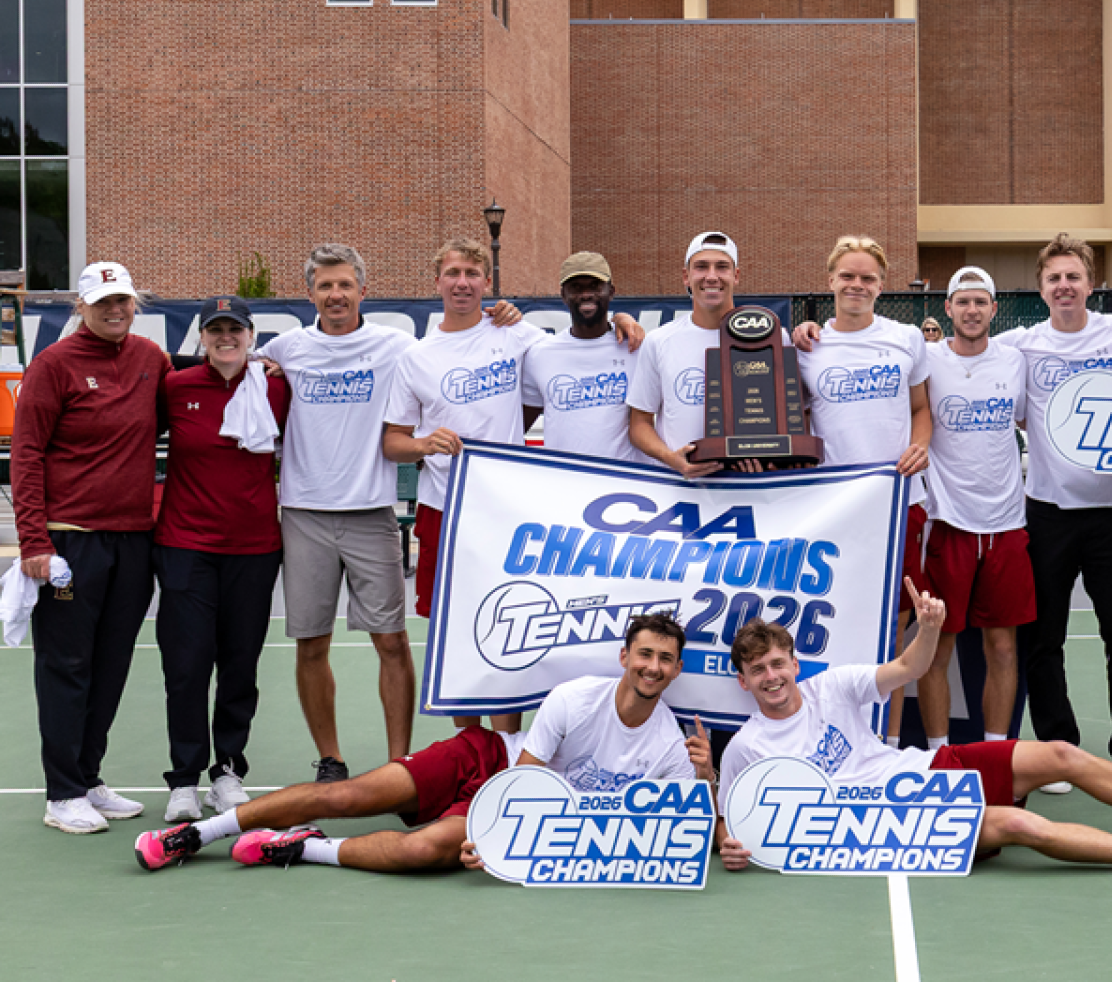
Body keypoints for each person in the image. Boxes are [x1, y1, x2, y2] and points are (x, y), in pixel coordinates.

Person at [717, 585, 1112, 881]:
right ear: (743, 682)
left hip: (926, 774)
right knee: (1025, 824)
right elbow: (728, 822)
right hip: (892, 825)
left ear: (794, 663)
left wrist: (928, 630)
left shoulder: (830, 688)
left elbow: (907, 669)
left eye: (778, 663)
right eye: (759, 670)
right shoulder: (747, 748)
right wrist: (731, 848)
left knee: (1063, 753)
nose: (772, 677)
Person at [135, 614, 709, 873]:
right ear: (624, 658)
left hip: (526, 811)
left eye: (664, 659)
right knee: (349, 796)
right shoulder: (577, 698)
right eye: (644, 654)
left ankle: (301, 847)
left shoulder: (669, 746)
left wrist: (705, 779)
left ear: (677, 668)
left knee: (423, 853)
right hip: (494, 767)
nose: (652, 667)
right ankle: (195, 834)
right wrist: (511, 839)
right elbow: (522, 782)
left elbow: (683, 829)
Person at [266, 244, 515, 783]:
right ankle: (330, 760)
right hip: (303, 515)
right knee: (311, 643)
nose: (336, 295)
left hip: (371, 512)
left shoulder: (400, 347)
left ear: (362, 290)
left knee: (392, 642)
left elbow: (459, 356)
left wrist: (504, 315)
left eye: (345, 285)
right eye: (325, 286)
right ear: (310, 293)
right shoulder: (285, 348)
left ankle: (398, 762)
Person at [13, 262, 170, 833]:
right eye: (103, 301)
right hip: (69, 544)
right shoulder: (53, 365)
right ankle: (62, 794)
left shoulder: (152, 360)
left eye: (123, 300)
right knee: (66, 664)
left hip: (132, 540)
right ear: (81, 306)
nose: (115, 310)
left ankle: (89, 776)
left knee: (111, 664)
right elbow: (26, 455)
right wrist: (33, 539)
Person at [1001, 234, 1112, 790]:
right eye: (1053, 278)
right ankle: (1058, 746)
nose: (1064, 286)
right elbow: (955, 356)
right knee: (1044, 641)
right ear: (1040, 288)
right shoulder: (1020, 344)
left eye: (1073, 277)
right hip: (1046, 515)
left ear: (1091, 283)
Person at [383, 238, 547, 737]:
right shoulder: (417, 356)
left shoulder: (516, 336)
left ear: (487, 283)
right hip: (443, 512)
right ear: (437, 282)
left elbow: (582, 351)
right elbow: (392, 442)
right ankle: (470, 747)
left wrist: (625, 325)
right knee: (452, 631)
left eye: (473, 273)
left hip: (503, 511)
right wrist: (425, 443)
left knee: (506, 624)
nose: (462, 282)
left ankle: (507, 746)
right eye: (453, 272)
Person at [153, 297, 293, 822]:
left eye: (235, 329)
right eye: (216, 331)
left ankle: (228, 771)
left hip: (254, 549)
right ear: (203, 338)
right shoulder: (175, 388)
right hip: (185, 545)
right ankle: (183, 780)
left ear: (252, 336)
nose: (226, 338)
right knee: (186, 666)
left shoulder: (277, 385)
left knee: (239, 665)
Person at [790, 236, 931, 745]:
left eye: (867, 277)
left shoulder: (905, 337)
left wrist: (919, 445)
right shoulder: (805, 346)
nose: (856, 285)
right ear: (830, 282)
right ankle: (832, 739)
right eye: (847, 276)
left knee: (893, 631)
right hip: (837, 510)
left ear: (881, 285)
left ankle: (885, 745)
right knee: (838, 626)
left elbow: (920, 409)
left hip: (898, 505)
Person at [917, 266, 1032, 752]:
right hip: (948, 524)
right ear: (948, 308)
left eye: (980, 302)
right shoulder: (923, 357)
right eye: (962, 302)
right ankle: (938, 755)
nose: (971, 310)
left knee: (1003, 648)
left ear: (993, 309)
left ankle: (994, 751)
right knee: (936, 649)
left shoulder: (1015, 359)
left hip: (1007, 524)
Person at [628, 232, 772, 477]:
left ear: (736, 276)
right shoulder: (659, 341)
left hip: (751, 486)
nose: (712, 276)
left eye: (722, 267)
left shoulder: (771, 336)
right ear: (686, 276)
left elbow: (795, 413)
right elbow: (639, 423)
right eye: (701, 267)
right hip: (681, 489)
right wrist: (671, 459)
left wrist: (771, 458)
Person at [523, 251, 645, 463]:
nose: (586, 294)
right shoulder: (540, 354)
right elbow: (517, 425)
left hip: (626, 482)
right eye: (576, 288)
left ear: (611, 292)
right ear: (563, 295)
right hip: (565, 483)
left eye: (595, 286)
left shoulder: (636, 348)